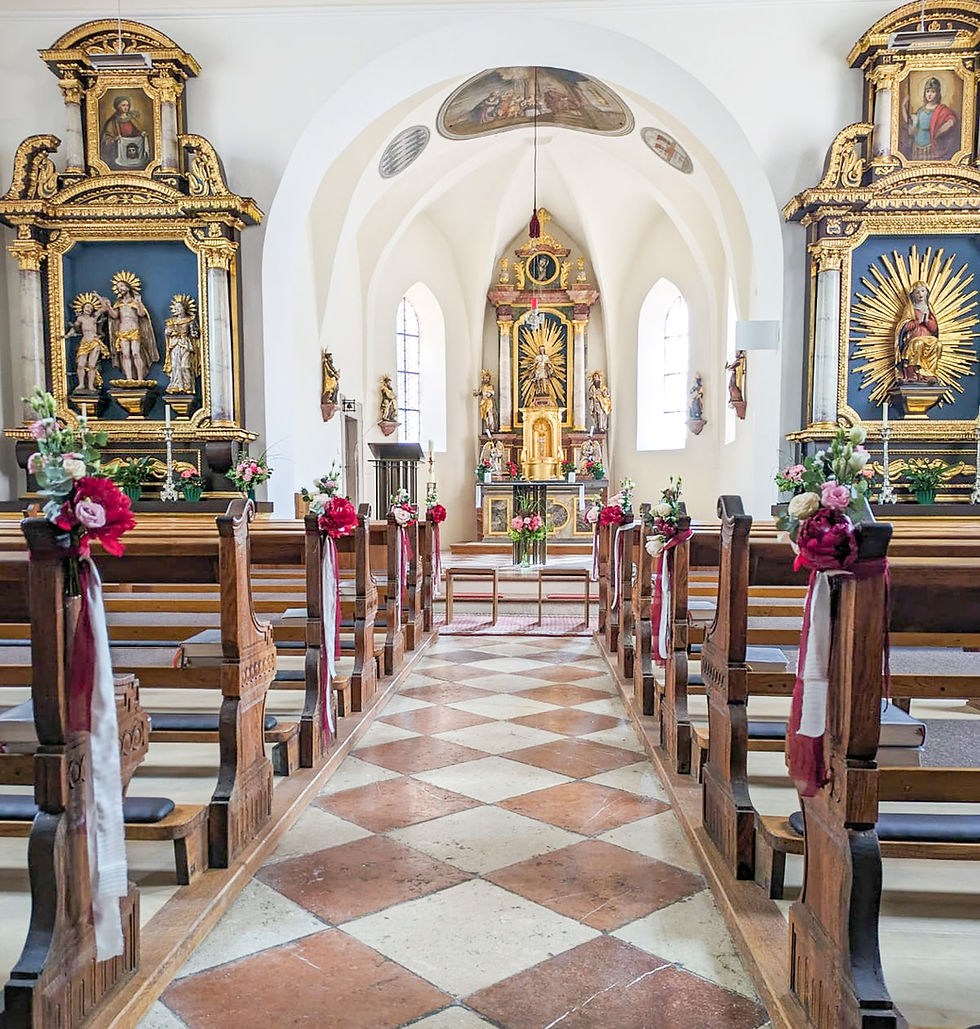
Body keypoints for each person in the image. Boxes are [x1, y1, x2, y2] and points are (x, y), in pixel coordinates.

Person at [102, 271, 158, 382]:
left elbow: (141, 314)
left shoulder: (135, 301)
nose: (120, 289)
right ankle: (129, 378)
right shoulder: (119, 303)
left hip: (134, 330)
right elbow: (114, 316)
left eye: (122, 286)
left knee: (136, 353)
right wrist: (108, 306)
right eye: (118, 287)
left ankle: (140, 378)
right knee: (125, 354)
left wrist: (139, 303)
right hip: (122, 331)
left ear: (128, 287)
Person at [902, 77, 958, 161]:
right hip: (917, 147)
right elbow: (910, 124)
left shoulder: (941, 110)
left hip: (931, 147)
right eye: (927, 91)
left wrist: (939, 131)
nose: (929, 94)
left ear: (938, 93)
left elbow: (951, 120)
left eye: (933, 92)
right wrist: (903, 106)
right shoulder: (920, 111)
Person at [896, 281, 942, 383]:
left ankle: (929, 374)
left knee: (937, 344)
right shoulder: (910, 308)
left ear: (927, 293)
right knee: (918, 343)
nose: (920, 294)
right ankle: (912, 374)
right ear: (913, 295)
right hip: (914, 339)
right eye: (917, 292)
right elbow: (904, 326)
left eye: (922, 291)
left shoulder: (929, 308)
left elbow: (934, 328)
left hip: (929, 338)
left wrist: (926, 321)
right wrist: (917, 322)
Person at [65, 295, 109, 393]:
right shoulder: (80, 319)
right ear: (83, 307)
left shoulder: (94, 317)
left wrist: (98, 297)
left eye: (91, 308)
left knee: (92, 365)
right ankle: (81, 384)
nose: (89, 309)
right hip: (84, 342)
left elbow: (105, 308)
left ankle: (91, 386)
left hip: (94, 342)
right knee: (80, 365)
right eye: (87, 307)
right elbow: (74, 329)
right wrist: (67, 336)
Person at [101, 95, 150, 169]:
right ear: (118, 107)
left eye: (127, 105)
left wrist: (142, 134)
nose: (126, 107)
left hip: (132, 147)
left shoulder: (133, 120)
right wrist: (114, 139)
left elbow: (137, 131)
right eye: (123, 105)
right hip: (118, 151)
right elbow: (106, 137)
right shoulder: (112, 121)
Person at [163, 296, 200, 393]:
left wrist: (194, 331)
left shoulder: (190, 320)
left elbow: (195, 334)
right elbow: (167, 332)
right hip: (175, 345)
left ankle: (188, 386)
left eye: (179, 307)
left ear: (185, 308)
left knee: (185, 366)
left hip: (185, 344)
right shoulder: (172, 322)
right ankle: (177, 385)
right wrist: (169, 331)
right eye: (176, 308)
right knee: (175, 366)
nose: (177, 309)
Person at [473, 369, 497, 435]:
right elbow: (479, 392)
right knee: (485, 417)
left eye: (487, 378)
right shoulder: (482, 387)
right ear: (483, 379)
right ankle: (487, 429)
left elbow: (492, 392)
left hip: (489, 403)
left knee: (490, 415)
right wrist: (476, 393)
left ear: (489, 379)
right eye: (485, 378)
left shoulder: (491, 386)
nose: (486, 380)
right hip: (483, 403)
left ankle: (492, 428)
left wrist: (489, 394)